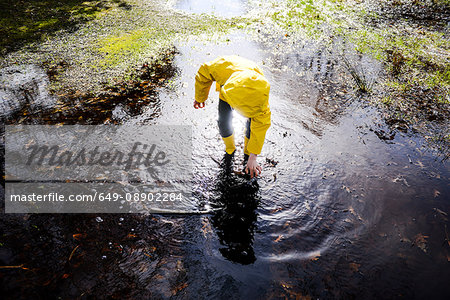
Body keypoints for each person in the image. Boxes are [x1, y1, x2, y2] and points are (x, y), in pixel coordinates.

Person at [193, 55, 271, 178]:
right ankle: (230, 148)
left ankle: (246, 151)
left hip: (250, 89)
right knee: (223, 120)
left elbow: (260, 127)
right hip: (229, 86)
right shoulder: (219, 68)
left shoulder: (261, 101)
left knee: (253, 125)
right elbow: (203, 74)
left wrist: (253, 156)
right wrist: (200, 97)